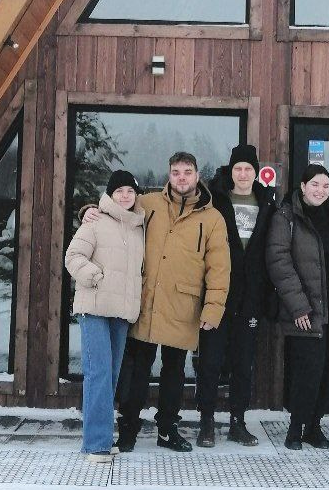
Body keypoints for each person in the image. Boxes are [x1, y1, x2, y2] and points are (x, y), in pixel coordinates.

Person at [84, 151, 230, 453]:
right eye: (176, 172)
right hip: (146, 300)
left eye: (187, 172)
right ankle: (128, 428)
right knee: (137, 369)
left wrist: (213, 308)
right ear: (169, 175)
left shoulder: (212, 218)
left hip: (183, 304)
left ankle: (167, 429)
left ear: (197, 176)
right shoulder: (148, 204)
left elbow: (219, 267)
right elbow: (116, 208)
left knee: (174, 371)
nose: (181, 178)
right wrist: (89, 210)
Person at [265, 164, 329, 451]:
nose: (320, 190)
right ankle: (296, 427)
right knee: (307, 373)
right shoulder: (287, 217)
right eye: (315, 184)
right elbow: (279, 262)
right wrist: (299, 307)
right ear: (303, 187)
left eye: (325, 185)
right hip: (306, 311)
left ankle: (314, 426)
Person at [194, 143, 276, 447]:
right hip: (218, 294)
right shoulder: (214, 198)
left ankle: (237, 422)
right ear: (231, 171)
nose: (243, 174)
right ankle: (206, 421)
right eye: (238, 168)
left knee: (243, 364)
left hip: (251, 296)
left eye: (248, 169)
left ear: (256, 173)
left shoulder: (267, 202)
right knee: (211, 362)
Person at [64, 170, 145, 460]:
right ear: (110, 194)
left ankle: (101, 438)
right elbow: (73, 257)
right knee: (98, 372)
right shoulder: (95, 221)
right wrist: (96, 276)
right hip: (95, 308)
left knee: (110, 375)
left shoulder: (139, 227)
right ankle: (96, 444)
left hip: (121, 312)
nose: (125, 196)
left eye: (130, 191)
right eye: (119, 191)